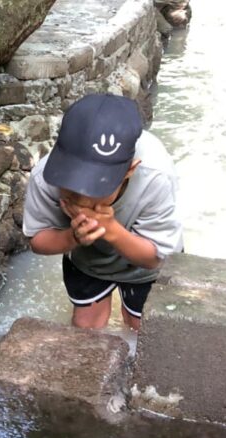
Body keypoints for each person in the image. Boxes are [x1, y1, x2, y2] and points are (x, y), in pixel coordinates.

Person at [23, 93, 182, 331]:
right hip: (88, 260)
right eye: (72, 184)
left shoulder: (155, 177)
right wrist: (72, 237)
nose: (81, 198)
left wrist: (110, 230)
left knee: (142, 328)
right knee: (86, 327)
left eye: (98, 186)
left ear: (130, 170)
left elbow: (155, 258)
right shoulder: (46, 176)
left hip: (144, 265)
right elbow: (37, 239)